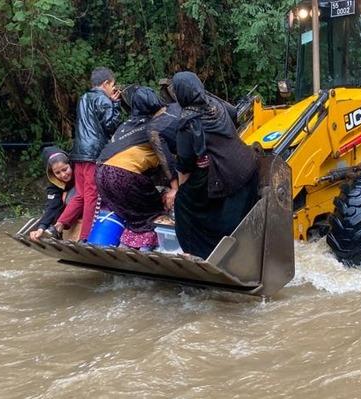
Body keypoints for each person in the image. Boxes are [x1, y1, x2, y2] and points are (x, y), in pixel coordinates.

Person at [171, 71, 259, 259]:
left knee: (183, 203)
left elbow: (184, 166)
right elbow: (234, 114)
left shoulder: (187, 122)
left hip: (226, 175)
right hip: (248, 163)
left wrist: (180, 190)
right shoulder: (215, 104)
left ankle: (198, 253)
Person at [95, 87, 178, 250]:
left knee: (135, 219)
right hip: (123, 175)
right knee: (155, 213)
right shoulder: (155, 126)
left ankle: (128, 247)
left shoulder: (126, 124)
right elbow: (165, 158)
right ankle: (153, 251)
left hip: (100, 174)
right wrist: (175, 187)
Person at [57, 67, 122, 241]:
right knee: (93, 196)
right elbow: (111, 126)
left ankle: (60, 224)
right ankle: (85, 237)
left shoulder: (83, 98)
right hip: (94, 154)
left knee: (80, 194)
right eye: (112, 85)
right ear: (106, 83)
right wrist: (115, 104)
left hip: (78, 153)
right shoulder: (104, 100)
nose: (113, 89)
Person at [29, 146, 75, 241]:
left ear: (70, 164)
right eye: (57, 173)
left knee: (67, 196)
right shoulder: (54, 184)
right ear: (52, 173)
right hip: (68, 213)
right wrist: (41, 227)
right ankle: (57, 232)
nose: (63, 175)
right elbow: (52, 206)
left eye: (65, 169)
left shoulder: (81, 170)